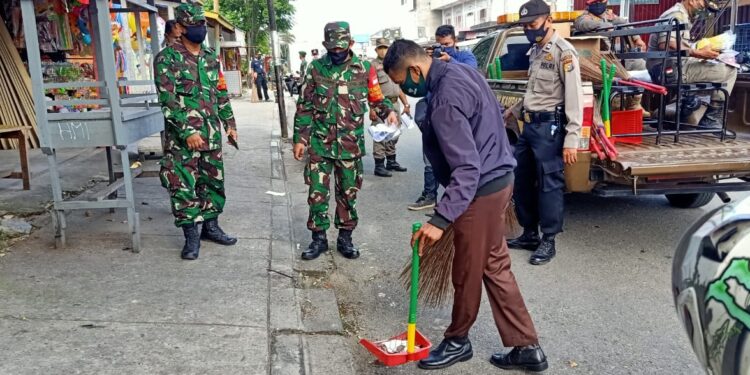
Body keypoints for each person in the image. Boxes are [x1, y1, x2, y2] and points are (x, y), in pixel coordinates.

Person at [384, 39, 547, 372]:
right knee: (494, 265)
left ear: (415, 69)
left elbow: (467, 169)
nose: (405, 88)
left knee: (466, 270)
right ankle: (527, 347)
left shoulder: (444, 99)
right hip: (501, 178)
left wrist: (441, 219)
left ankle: (458, 341)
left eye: (402, 81)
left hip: (481, 190)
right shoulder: (462, 71)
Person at [292, 22, 397, 261]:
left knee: (348, 193)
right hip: (320, 144)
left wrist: (387, 111)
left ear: (350, 44)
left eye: (341, 48)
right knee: (317, 193)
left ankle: (345, 238)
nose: (337, 52)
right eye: (332, 49)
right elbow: (305, 105)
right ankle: (318, 239)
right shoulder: (316, 68)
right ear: (325, 46)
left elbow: (377, 99)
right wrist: (300, 139)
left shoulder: (364, 68)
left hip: (350, 147)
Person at [154, 3, 238, 260]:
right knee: (182, 185)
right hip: (184, 139)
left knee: (212, 182)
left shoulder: (211, 58)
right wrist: (187, 130)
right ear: (179, 27)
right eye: (194, 26)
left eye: (202, 25)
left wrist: (230, 124)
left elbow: (221, 93)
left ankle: (210, 227)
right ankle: (191, 234)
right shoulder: (166, 59)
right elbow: (167, 100)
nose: (200, 30)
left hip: (211, 134)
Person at [506, 0, 583, 266]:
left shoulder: (564, 52)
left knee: (549, 184)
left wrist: (571, 140)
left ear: (548, 20)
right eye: (525, 26)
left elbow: (574, 98)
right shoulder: (535, 51)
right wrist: (514, 110)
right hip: (529, 126)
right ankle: (529, 232)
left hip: (550, 128)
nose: (529, 29)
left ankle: (548, 239)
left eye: (533, 24)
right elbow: (534, 91)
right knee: (522, 178)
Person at [408, 25, 478, 211]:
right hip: (433, 110)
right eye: (440, 45)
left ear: (455, 41)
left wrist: (450, 60)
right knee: (430, 155)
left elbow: (470, 74)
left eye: (446, 44)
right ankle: (429, 195)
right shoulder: (431, 60)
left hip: (455, 113)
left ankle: (458, 198)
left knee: (459, 157)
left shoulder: (465, 56)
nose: (443, 49)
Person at [646, 0, 736, 129]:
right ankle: (711, 118)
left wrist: (701, 51)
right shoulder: (676, 15)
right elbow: (666, 44)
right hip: (669, 70)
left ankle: (684, 110)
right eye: (703, 5)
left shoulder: (681, 15)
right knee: (730, 69)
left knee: (714, 65)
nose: (704, 10)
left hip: (668, 67)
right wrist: (697, 53)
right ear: (692, 1)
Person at [370, 37, 410, 177]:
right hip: (381, 105)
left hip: (395, 104)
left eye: (385, 47)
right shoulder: (373, 66)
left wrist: (405, 103)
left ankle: (391, 161)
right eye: (380, 48)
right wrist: (372, 108)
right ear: (376, 50)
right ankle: (379, 165)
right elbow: (370, 88)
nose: (383, 50)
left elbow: (398, 87)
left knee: (394, 133)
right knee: (381, 134)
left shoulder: (393, 65)